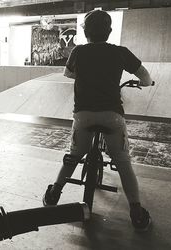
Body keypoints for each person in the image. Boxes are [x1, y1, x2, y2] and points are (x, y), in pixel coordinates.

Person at [42, 10, 153, 231]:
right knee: (123, 162)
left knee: (73, 156)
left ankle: (54, 193)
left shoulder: (78, 52)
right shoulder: (121, 52)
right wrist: (145, 83)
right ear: (109, 31)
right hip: (112, 117)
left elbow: (68, 74)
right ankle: (137, 213)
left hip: (83, 116)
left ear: (85, 32)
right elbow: (145, 76)